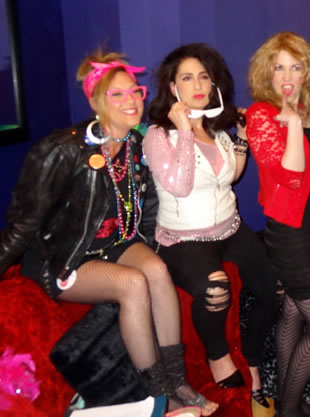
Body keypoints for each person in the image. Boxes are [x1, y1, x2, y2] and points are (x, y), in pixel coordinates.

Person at [0, 50, 217, 416]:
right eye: (117, 94)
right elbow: (23, 223)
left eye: (135, 92)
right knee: (132, 284)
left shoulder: (135, 145)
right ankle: (160, 395)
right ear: (95, 101)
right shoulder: (62, 149)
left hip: (116, 243)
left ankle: (178, 381)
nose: (130, 101)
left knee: (157, 271)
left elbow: (148, 211)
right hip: (65, 257)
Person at [143, 43, 280, 408]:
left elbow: (229, 177)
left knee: (276, 288)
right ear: (173, 87)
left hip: (229, 228)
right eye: (187, 78)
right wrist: (185, 130)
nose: (198, 85)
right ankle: (217, 354)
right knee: (215, 288)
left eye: (204, 76)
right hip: (183, 239)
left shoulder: (216, 130)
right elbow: (179, 185)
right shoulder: (158, 136)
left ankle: (252, 356)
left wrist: (242, 139)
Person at [246, 32, 310, 417]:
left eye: (295, 67)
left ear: (307, 73)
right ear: (266, 73)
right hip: (293, 236)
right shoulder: (261, 115)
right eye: (279, 67)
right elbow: (293, 178)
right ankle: (289, 412)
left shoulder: (306, 111)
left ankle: (290, 402)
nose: (287, 76)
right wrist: (294, 125)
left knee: (293, 314)